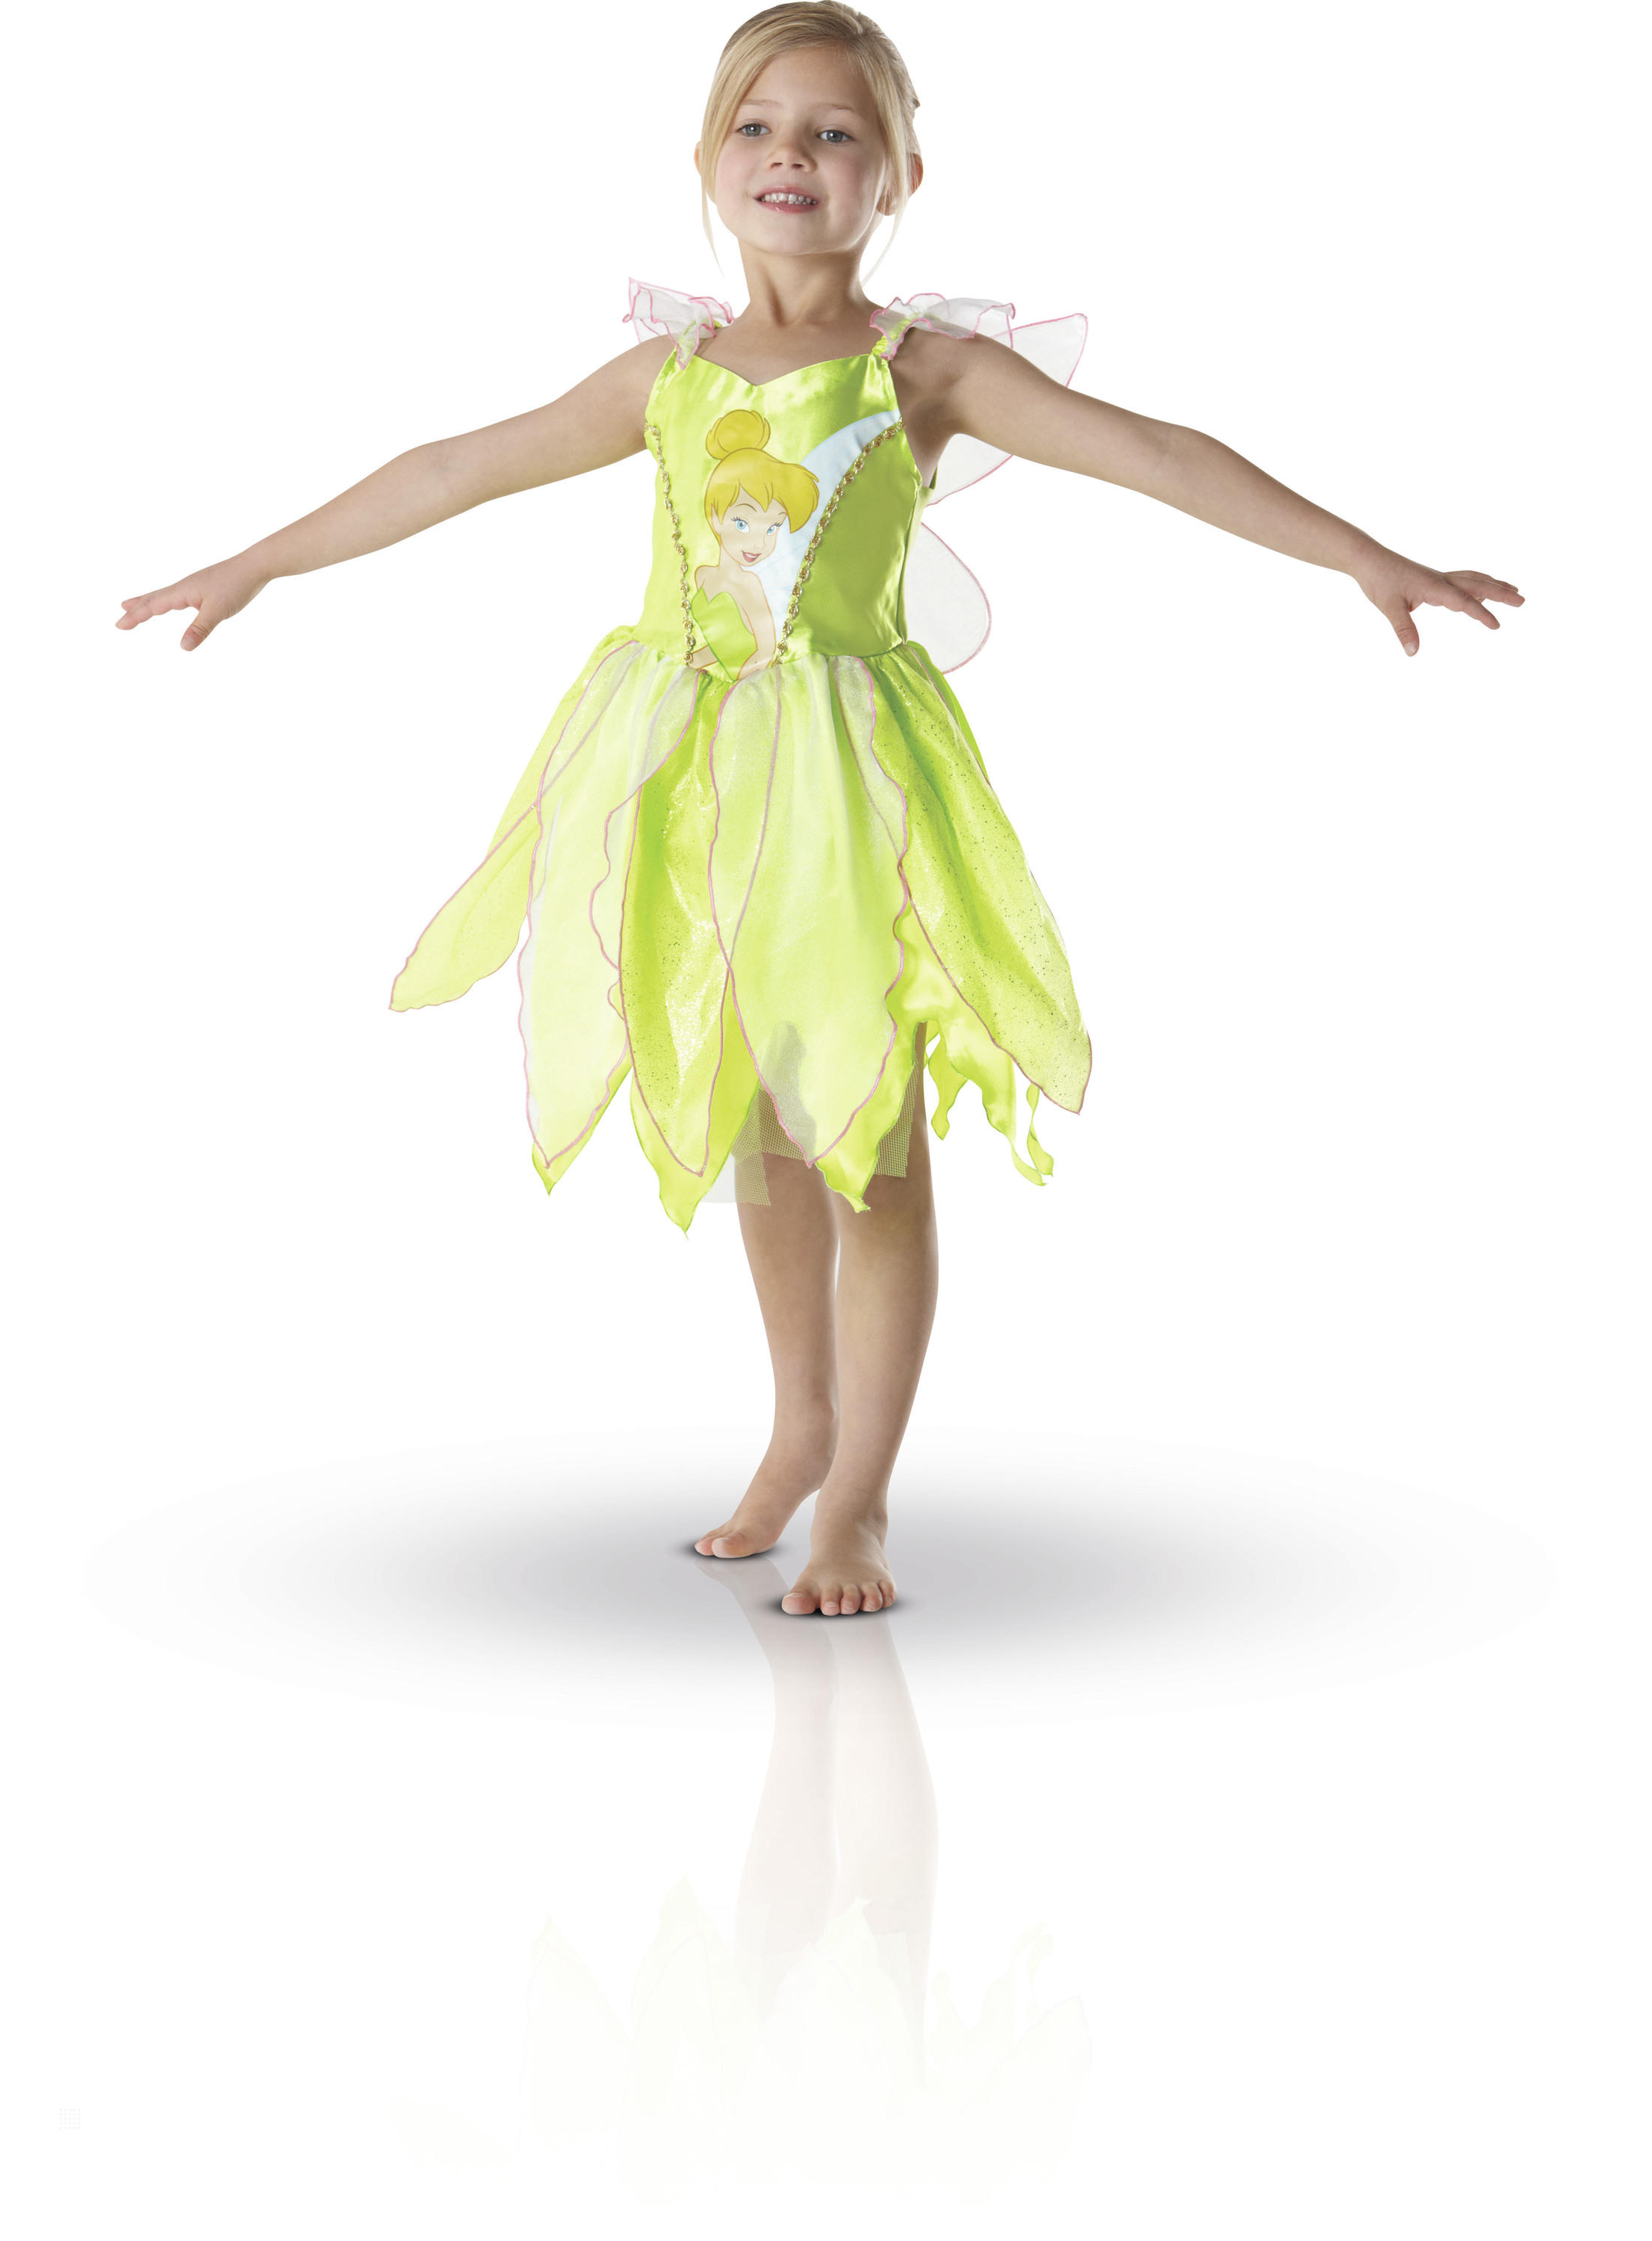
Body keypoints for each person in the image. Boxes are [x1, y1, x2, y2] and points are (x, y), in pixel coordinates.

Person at [116, 4, 1523, 1620]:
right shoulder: (662, 376)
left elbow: (1155, 455)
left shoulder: (923, 371)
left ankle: (857, 1497)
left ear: (898, 176)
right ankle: (797, 1429)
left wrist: (1361, 555)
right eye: (759, 127)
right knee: (763, 1122)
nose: (792, 155)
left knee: (872, 1135)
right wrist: (255, 564)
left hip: (847, 787)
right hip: (686, 770)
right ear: (707, 163)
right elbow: (453, 469)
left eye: (835, 133)